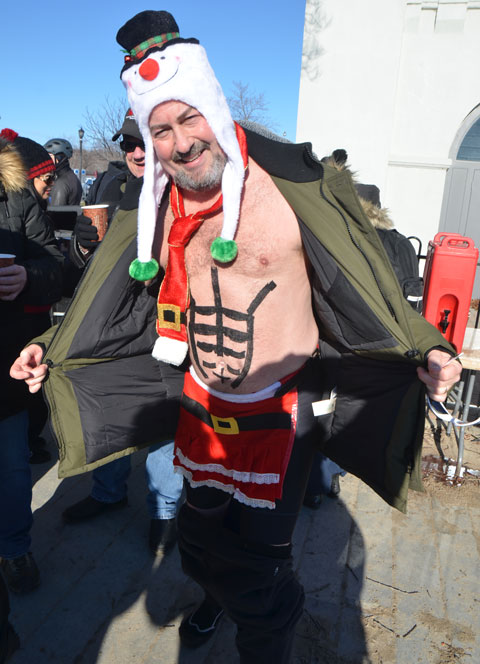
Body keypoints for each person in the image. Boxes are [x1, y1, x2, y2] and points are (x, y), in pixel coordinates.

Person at [10, 11, 461, 662]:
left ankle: (263, 622)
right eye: (160, 127)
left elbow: (375, 277)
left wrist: (428, 345)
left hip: (284, 409)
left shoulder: (296, 185)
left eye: (188, 116)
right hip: (200, 403)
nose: (179, 139)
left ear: (212, 101)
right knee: (203, 535)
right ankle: (221, 595)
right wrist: (47, 350)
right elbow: (103, 295)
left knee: (265, 563)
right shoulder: (153, 207)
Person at [64, 111, 183, 556]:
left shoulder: (186, 192)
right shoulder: (109, 187)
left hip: (165, 324)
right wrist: (81, 247)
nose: (135, 152)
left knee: (162, 414)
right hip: (111, 324)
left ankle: (165, 510)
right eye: (127, 144)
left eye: (144, 143)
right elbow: (86, 268)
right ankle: (107, 492)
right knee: (109, 407)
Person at [0, 129, 64, 594]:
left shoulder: (16, 196)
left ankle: (15, 547)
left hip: (6, 357)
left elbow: (55, 265)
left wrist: (28, 274)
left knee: (12, 464)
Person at [43, 138, 82, 206]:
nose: (46, 160)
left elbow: (56, 214)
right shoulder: (72, 176)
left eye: (49, 156)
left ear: (59, 157)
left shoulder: (61, 183)